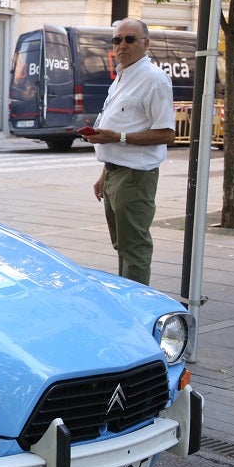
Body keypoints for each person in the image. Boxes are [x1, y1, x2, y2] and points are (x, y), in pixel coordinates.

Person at [81, 18, 175, 285]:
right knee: (122, 246)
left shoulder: (154, 79)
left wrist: (118, 138)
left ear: (145, 43)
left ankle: (137, 308)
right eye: (117, 39)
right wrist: (104, 172)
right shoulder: (122, 75)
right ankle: (127, 299)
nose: (122, 45)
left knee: (134, 250)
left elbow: (167, 133)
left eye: (130, 39)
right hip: (115, 173)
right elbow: (118, 124)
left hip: (135, 176)